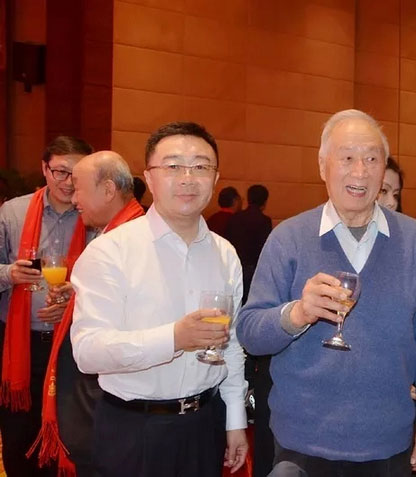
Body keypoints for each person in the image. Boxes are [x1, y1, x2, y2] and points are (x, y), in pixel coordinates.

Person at [238, 109, 416, 475]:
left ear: (384, 169)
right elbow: (250, 332)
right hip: (301, 442)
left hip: (388, 442)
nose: (360, 171)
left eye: (372, 159)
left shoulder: (414, 240)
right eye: (347, 158)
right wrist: (298, 314)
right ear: (323, 166)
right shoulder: (289, 238)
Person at [70, 122, 248, 476]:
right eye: (173, 166)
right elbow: (87, 352)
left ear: (215, 179)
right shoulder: (110, 252)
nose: (187, 178)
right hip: (133, 429)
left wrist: (235, 420)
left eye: (200, 166)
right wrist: (173, 338)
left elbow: (231, 344)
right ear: (149, 178)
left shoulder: (225, 253)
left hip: (205, 425)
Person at [27, 151, 145, 476]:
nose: (74, 198)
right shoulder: (117, 232)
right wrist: (79, 298)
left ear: (108, 190)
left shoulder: (129, 241)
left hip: (103, 400)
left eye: (78, 188)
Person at [0, 135, 92, 477]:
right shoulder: (13, 212)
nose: (68, 182)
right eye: (60, 172)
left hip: (71, 343)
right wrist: (9, 273)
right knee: (18, 434)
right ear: (44, 168)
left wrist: (74, 301)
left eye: (76, 175)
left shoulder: (94, 214)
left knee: (67, 431)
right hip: (17, 342)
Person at [225, 184, 273, 477]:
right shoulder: (264, 221)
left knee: (237, 330)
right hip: (253, 277)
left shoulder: (235, 219)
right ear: (264, 202)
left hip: (239, 274)